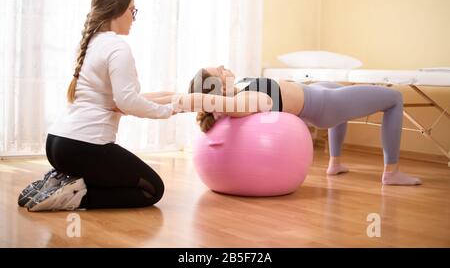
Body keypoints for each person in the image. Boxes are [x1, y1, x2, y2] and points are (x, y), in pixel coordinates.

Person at [18, 0, 178, 211]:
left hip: (57, 143)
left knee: (119, 179)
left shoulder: (90, 43)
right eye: (133, 11)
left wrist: (170, 100)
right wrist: (167, 111)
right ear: (119, 10)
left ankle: (57, 184)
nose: (134, 17)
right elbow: (127, 101)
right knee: (152, 189)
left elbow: (121, 99)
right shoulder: (117, 48)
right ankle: (72, 197)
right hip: (84, 147)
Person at [170, 66, 422, 186]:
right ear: (218, 87)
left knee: (339, 88)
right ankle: (392, 172)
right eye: (217, 70)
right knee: (394, 98)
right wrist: (196, 101)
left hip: (317, 92)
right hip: (325, 106)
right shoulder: (242, 100)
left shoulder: (240, 87)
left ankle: (335, 164)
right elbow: (231, 107)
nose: (223, 66)